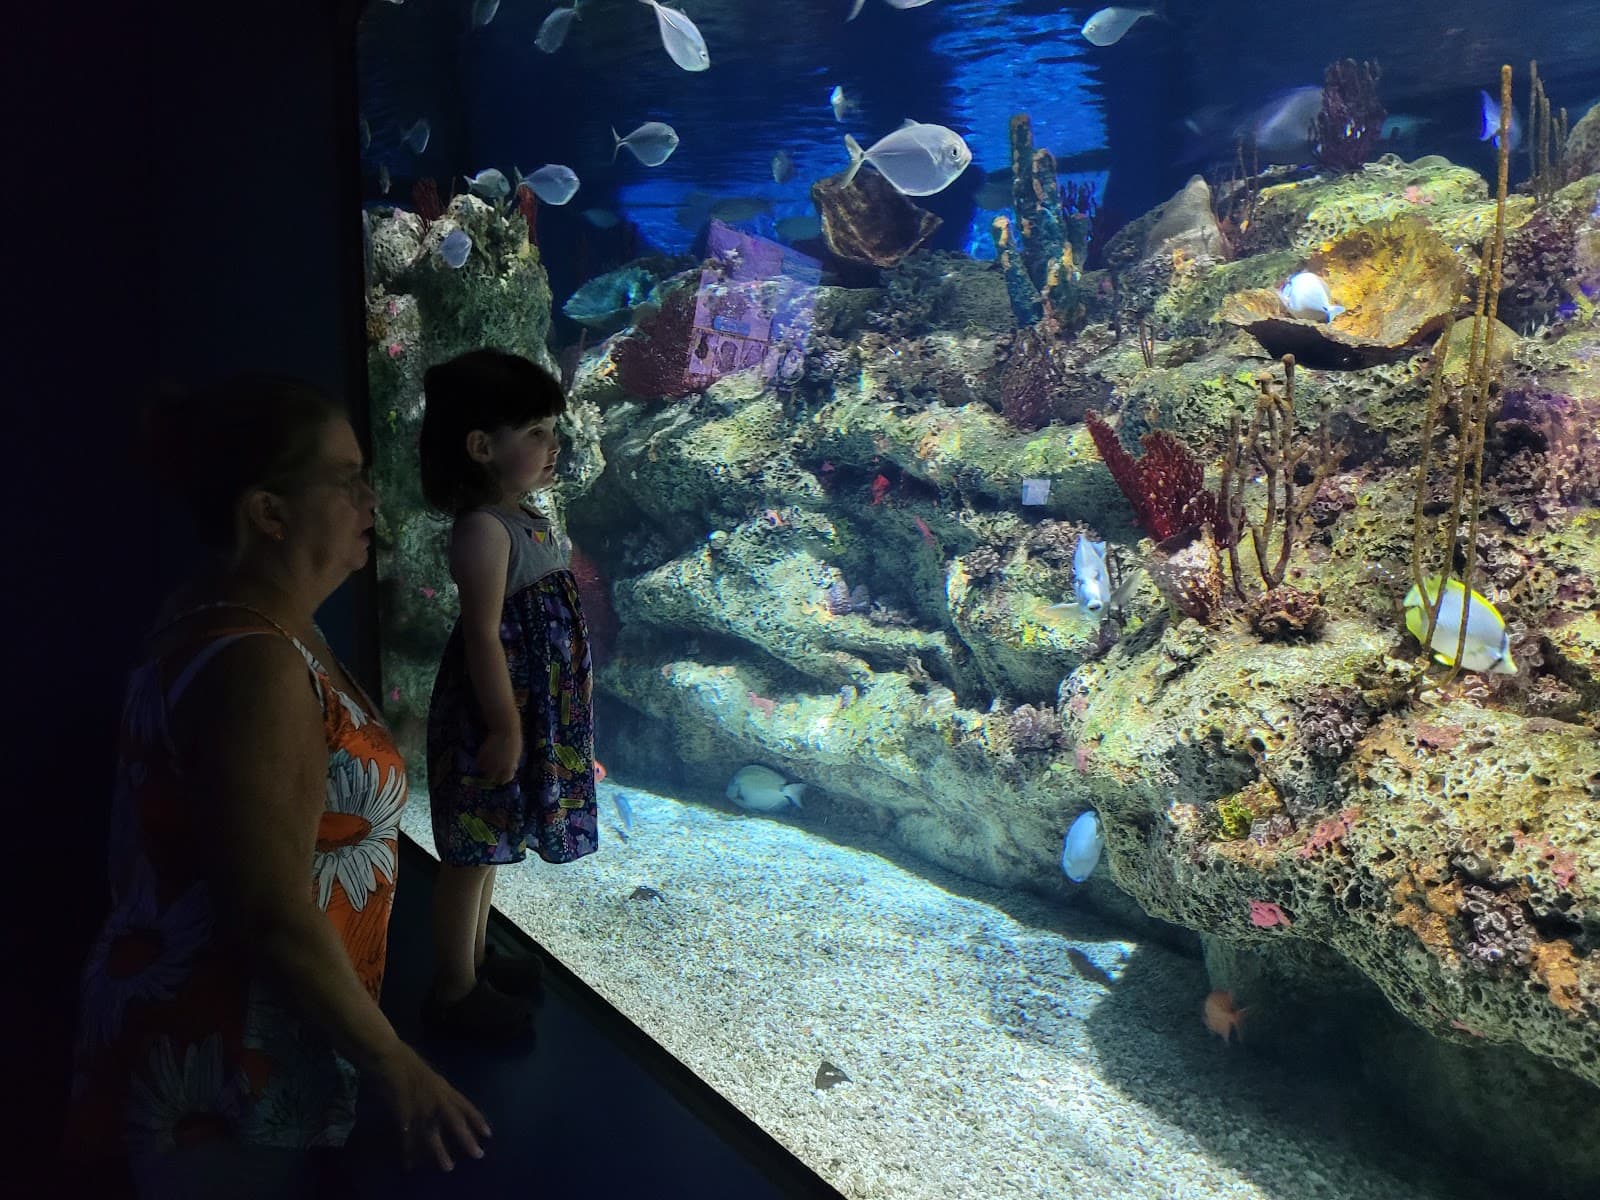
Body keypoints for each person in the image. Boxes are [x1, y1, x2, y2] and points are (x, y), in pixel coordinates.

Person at [62, 374, 491, 1198]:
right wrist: (394, 1064)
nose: (371, 495)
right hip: (219, 1069)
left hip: (227, 1038)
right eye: (345, 479)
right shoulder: (255, 662)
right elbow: (271, 910)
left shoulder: (243, 616)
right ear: (269, 512)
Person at [418, 349, 599, 1039]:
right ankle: (452, 994)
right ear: (480, 446)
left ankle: (475, 959)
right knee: (470, 856)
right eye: (534, 433)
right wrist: (503, 726)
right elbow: (483, 637)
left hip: (524, 715)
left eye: (551, 430)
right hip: (491, 717)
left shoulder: (522, 514)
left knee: (492, 846)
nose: (553, 445)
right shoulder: (482, 531)